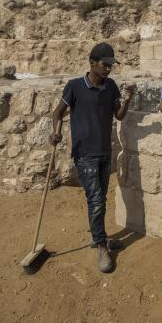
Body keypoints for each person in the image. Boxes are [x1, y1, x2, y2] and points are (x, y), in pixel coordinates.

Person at [50, 42, 134, 273]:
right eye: (105, 64)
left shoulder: (111, 87)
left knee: (100, 200)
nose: (109, 69)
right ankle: (100, 245)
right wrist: (55, 132)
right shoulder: (75, 87)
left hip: (105, 152)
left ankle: (100, 237)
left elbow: (119, 115)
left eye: (111, 65)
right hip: (85, 154)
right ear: (92, 63)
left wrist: (127, 99)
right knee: (96, 201)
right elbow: (57, 113)